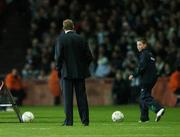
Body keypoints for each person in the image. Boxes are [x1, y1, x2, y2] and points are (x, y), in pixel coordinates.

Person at [55, 19, 93, 126]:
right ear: (73, 27)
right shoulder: (81, 38)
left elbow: (58, 57)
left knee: (68, 99)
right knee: (82, 97)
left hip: (66, 74)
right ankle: (85, 121)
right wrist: (83, 67)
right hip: (80, 73)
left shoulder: (61, 39)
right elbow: (89, 57)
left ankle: (69, 121)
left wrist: (58, 70)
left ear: (64, 28)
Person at [128, 38, 165, 122]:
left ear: (145, 45)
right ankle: (144, 118)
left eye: (140, 44)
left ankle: (158, 109)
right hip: (152, 78)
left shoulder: (144, 54)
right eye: (137, 45)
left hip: (146, 78)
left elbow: (142, 67)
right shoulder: (150, 54)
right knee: (142, 98)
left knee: (144, 97)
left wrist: (133, 74)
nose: (138, 46)